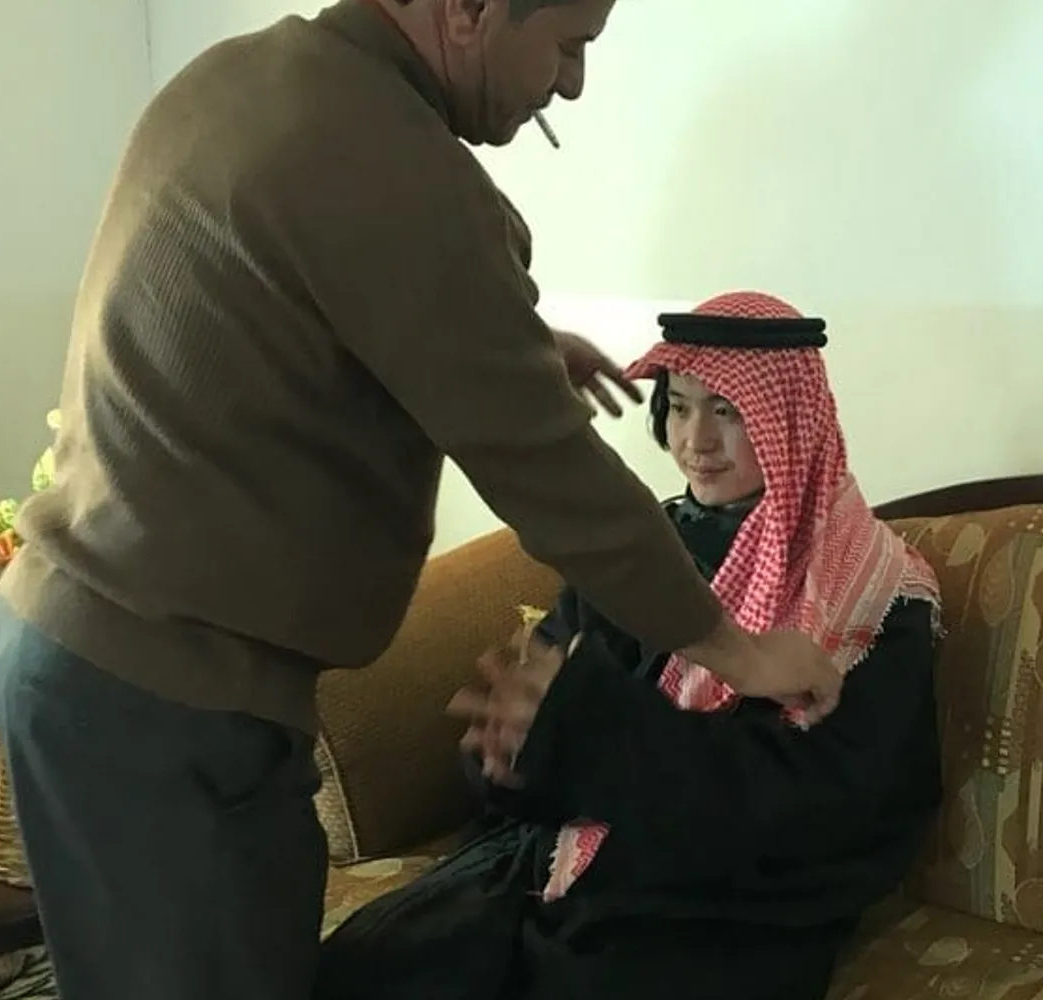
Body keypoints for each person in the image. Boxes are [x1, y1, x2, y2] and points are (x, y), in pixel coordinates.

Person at [0, 4, 841, 1000]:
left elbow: (295, 308)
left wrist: (512, 347)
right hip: (160, 700)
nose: (571, 85)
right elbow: (554, 478)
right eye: (569, 45)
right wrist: (738, 650)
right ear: (470, 11)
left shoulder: (248, 80)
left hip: (86, 654)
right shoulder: (385, 156)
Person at [317, 291, 946, 1000]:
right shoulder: (642, 554)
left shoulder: (872, 591)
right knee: (367, 965)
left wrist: (583, 730)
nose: (695, 441)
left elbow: (829, 803)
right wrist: (511, 750)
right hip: (561, 862)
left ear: (792, 422)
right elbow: (537, 698)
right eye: (678, 406)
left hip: (730, 900)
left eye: (728, 412)